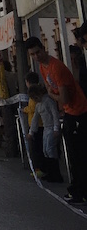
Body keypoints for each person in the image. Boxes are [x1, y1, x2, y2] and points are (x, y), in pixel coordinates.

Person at [25, 35, 87, 205]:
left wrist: (51, 95)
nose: (36, 56)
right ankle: (77, 188)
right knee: (73, 153)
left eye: (38, 52)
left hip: (78, 111)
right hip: (69, 112)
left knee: (78, 154)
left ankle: (80, 191)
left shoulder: (56, 68)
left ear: (43, 49)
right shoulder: (43, 67)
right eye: (32, 54)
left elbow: (64, 97)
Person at [28, 81, 63, 183]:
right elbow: (35, 119)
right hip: (46, 128)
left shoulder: (48, 101)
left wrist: (56, 128)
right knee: (46, 150)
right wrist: (31, 132)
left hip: (51, 127)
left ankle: (55, 174)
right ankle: (50, 173)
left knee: (50, 150)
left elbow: (55, 114)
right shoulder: (39, 105)